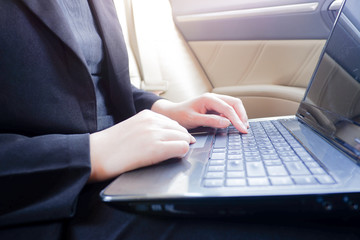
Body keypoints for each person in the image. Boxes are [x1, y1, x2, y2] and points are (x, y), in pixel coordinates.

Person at [0, 0, 250, 239]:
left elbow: (99, 82)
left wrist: (162, 108)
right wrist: (91, 153)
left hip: (127, 167)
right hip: (46, 205)